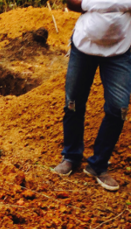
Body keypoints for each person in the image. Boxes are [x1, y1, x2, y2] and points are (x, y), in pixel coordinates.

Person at [52, 0, 131, 192]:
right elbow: (72, 3)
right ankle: (71, 156)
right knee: (73, 103)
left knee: (117, 108)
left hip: (120, 50)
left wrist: (99, 3)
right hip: (84, 46)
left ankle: (98, 165)